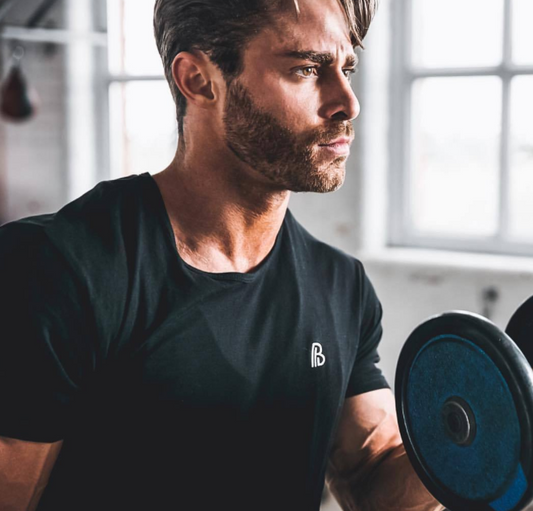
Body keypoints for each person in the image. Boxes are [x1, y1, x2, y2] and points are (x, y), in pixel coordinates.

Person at [0, 0, 444, 510]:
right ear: (198, 79)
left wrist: (491, 435)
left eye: (346, 69)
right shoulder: (58, 269)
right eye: (306, 69)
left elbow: (373, 478)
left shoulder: (341, 286)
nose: (347, 102)